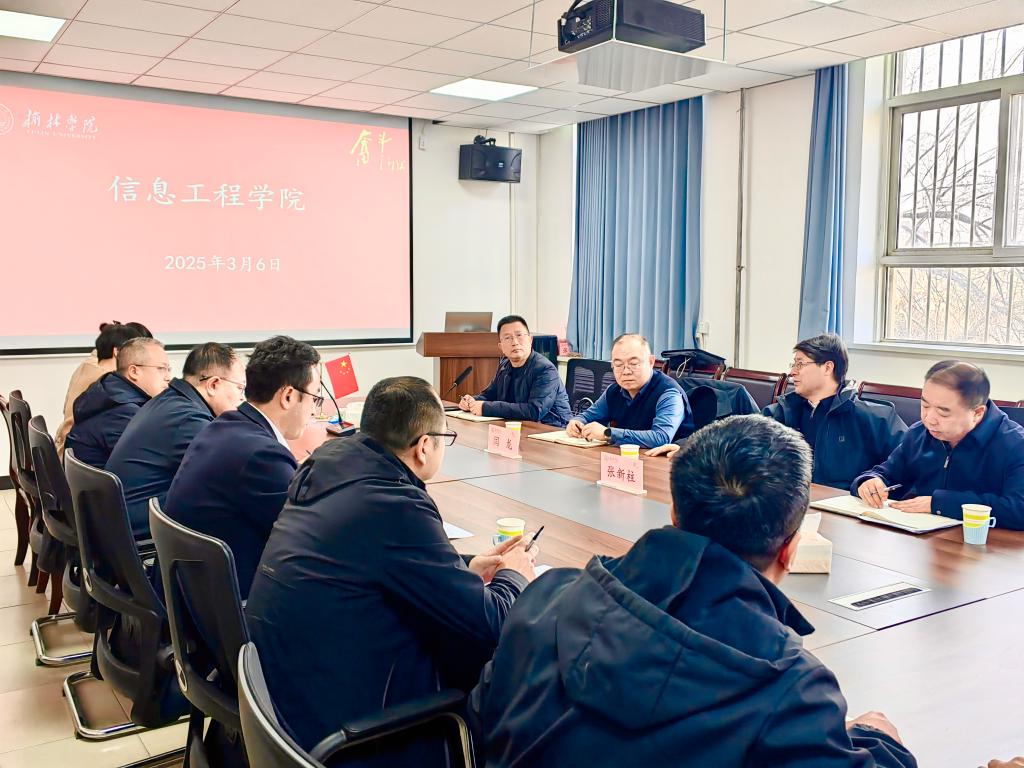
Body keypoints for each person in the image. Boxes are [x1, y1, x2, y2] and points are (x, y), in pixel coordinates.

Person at [470, 416, 917, 768]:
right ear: (791, 549)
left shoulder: (547, 595)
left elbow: (481, 717)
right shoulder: (791, 689)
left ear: (673, 513)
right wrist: (881, 743)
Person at [245, 376, 537, 763]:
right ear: (424, 446)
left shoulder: (330, 465)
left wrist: (466, 566)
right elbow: (493, 623)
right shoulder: (394, 503)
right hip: (343, 729)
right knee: (507, 665)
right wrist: (515, 575)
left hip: (284, 704)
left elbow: (379, 559)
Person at [164, 337, 320, 598]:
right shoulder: (261, 456)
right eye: (314, 398)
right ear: (288, 396)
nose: (314, 410)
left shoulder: (224, 426)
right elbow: (311, 536)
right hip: (228, 605)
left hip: (191, 591)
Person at [652, 334, 907, 487]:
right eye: (793, 364)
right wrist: (689, 445)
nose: (793, 372)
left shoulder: (873, 418)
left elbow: (908, 461)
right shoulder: (785, 411)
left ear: (828, 367)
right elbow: (736, 431)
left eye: (800, 364)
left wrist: (874, 482)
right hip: (789, 509)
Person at [852, 361, 1024, 529]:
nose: (929, 419)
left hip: (986, 542)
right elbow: (887, 474)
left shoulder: (1015, 445)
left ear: (977, 413)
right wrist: (870, 482)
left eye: (943, 413)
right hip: (924, 538)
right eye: (925, 405)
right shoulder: (919, 434)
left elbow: (1019, 509)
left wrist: (940, 504)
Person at [106, 342, 244, 538]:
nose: (242, 398)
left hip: (123, 524)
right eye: (240, 388)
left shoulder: (170, 401)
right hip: (140, 536)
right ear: (213, 385)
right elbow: (234, 473)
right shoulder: (188, 419)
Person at [565, 333, 691, 449]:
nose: (626, 371)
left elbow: (661, 438)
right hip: (628, 459)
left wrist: (607, 433)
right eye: (618, 365)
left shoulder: (669, 393)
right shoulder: (614, 391)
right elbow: (587, 417)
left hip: (668, 462)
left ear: (651, 362)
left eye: (634, 363)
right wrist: (577, 422)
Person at [65, 338, 170, 468]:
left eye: (168, 369)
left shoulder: (111, 392)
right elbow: (155, 461)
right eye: (161, 368)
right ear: (134, 372)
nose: (168, 377)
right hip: (107, 480)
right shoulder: (123, 411)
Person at [56, 321, 152, 456]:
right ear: (117, 352)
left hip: (69, 450)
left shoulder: (89, 366)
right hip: (75, 454)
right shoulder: (106, 382)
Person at [458, 315, 572, 427]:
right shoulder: (504, 366)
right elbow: (489, 395)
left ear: (530, 340)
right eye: (508, 338)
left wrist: (486, 408)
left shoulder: (545, 370)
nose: (515, 342)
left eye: (519, 335)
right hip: (520, 427)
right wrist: (472, 401)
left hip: (552, 429)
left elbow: (534, 411)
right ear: (501, 346)